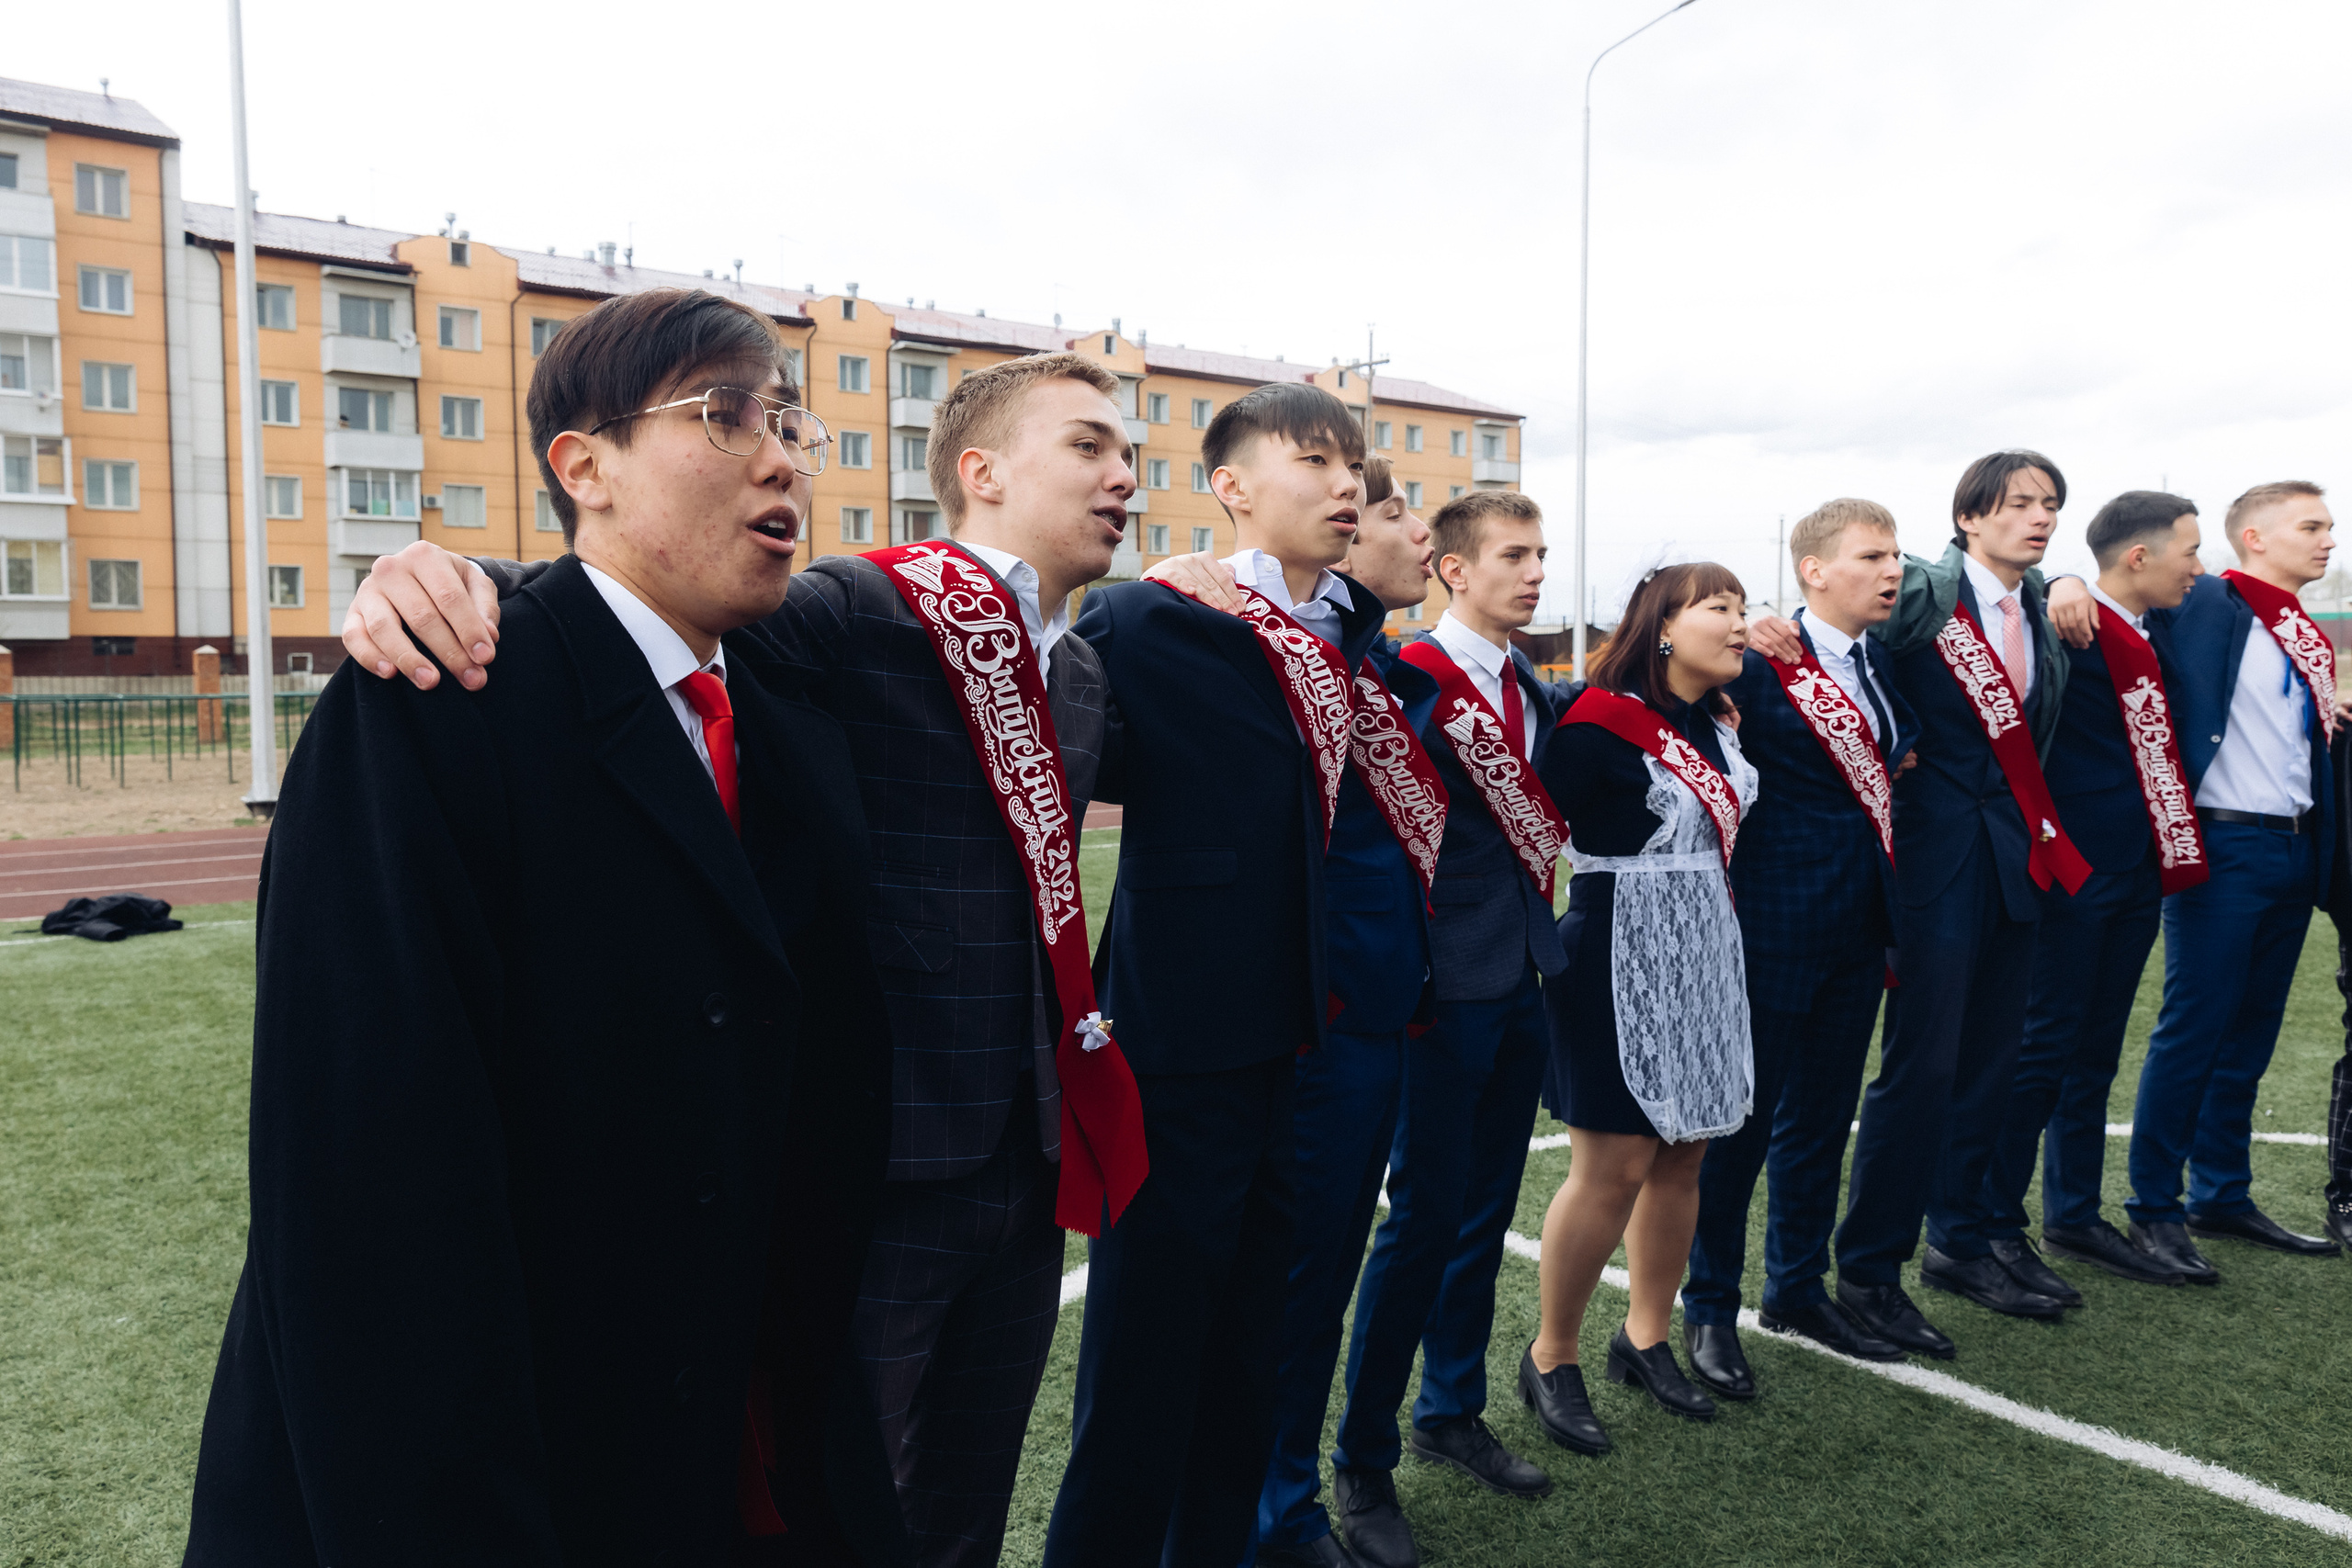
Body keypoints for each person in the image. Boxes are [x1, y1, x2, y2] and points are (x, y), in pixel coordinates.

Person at [341, 350, 1155, 1568]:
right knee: (844, 1501)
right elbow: (642, 602)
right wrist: (451, 575)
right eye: (1088, 446)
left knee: (968, 1502)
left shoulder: (1081, 671)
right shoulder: (863, 604)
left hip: (1029, 1153)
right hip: (882, 1157)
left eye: (1129, 453)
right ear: (981, 472)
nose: (1124, 476)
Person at [188, 287, 907, 1563]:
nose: (783, 457)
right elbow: (370, 1183)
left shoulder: (788, 707)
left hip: (743, 1436)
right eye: (725, 414)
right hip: (514, 1454)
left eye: (791, 422)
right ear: (585, 468)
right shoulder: (434, 699)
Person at [1139, 489, 1564, 1567]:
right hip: (1386, 997)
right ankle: (1338, 1472)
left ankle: (1446, 1409)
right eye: (1395, 521)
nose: (1418, 537)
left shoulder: (1482, 679)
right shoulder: (1370, 670)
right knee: (1379, 1238)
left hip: (1506, 971)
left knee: (1475, 1216)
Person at [1044, 383, 1404, 1568]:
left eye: (1355, 467)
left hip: (1289, 1043)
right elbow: (1056, 753)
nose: (1347, 486)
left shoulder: (1336, 630)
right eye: (1316, 462)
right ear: (1230, 487)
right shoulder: (1148, 616)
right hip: (1173, 1045)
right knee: (1143, 1368)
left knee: (1249, 1361)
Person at [1755, 450, 2089, 1354]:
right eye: (2019, 503)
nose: (2040, 517)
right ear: (1968, 517)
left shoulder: (2039, 601)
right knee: (1923, 1067)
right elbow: (1828, 622)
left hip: (2011, 858)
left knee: (1991, 1062)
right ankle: (1869, 1267)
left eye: (2050, 505)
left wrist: (2066, 578)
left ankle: (1961, 1240)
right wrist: (1761, 620)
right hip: (1927, 861)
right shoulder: (1921, 593)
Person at [1679, 501, 1919, 1397]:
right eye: (1872, 556)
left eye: (1896, 555)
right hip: (1772, 922)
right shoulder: (1755, 660)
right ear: (1814, 571)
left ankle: (1795, 1288)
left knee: (1821, 1118)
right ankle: (1709, 1307)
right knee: (1739, 1129)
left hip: (1859, 925)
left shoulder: (1878, 660)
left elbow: (1895, 757)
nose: (1893, 571)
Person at [2071, 482, 2342, 1267]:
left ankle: (2221, 1193)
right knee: (2194, 1028)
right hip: (2221, 844)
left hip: (2295, 845)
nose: (2329, 540)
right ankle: (2154, 1205)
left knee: (2251, 1034)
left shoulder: (2303, 632)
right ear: (2254, 537)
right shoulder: (2200, 602)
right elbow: (2115, 586)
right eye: (2311, 526)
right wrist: (2062, 580)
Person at [1520, 562, 1756, 1455]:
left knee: (1685, 1157)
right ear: (1661, 626)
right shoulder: (1594, 724)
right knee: (1611, 1167)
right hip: (1616, 951)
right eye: (1718, 607)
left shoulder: (1717, 722)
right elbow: (1530, 831)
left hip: (1705, 949)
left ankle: (1646, 1336)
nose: (1739, 622)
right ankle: (1552, 1354)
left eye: (1743, 607)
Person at [1971, 492, 2211, 1294]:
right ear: (2140, 557)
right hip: (2072, 867)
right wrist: (2066, 579)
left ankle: (2072, 1213)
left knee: (2096, 1050)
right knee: (2042, 1047)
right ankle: (1993, 1221)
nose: (2199, 566)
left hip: (2139, 865)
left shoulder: (2158, 623)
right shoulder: (2063, 618)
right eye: (2189, 550)